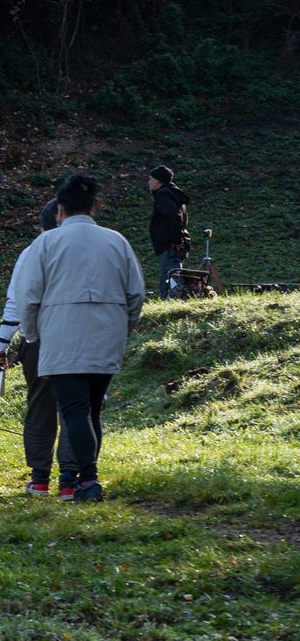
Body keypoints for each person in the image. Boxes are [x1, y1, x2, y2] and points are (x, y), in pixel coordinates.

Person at [14, 174, 145, 503]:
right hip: (107, 333)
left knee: (74, 410)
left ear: (60, 210)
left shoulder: (45, 244)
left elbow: (28, 296)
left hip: (61, 336)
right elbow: (136, 294)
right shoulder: (117, 241)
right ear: (94, 206)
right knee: (92, 410)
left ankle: (87, 481)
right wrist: (123, 328)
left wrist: (32, 333)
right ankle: (77, 479)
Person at [0, 199, 74, 495]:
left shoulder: (32, 252)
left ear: (42, 225)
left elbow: (15, 304)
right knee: (75, 409)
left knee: (40, 407)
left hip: (38, 340)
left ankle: (40, 478)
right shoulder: (86, 249)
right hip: (78, 340)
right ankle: (70, 481)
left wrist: (1, 348)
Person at [147, 165, 190, 299]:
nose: (148, 182)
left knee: (170, 275)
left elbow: (173, 217)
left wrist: (176, 240)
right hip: (173, 242)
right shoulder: (173, 194)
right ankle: (173, 300)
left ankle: (171, 302)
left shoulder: (164, 194)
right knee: (173, 273)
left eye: (151, 179)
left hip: (169, 243)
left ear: (159, 181)